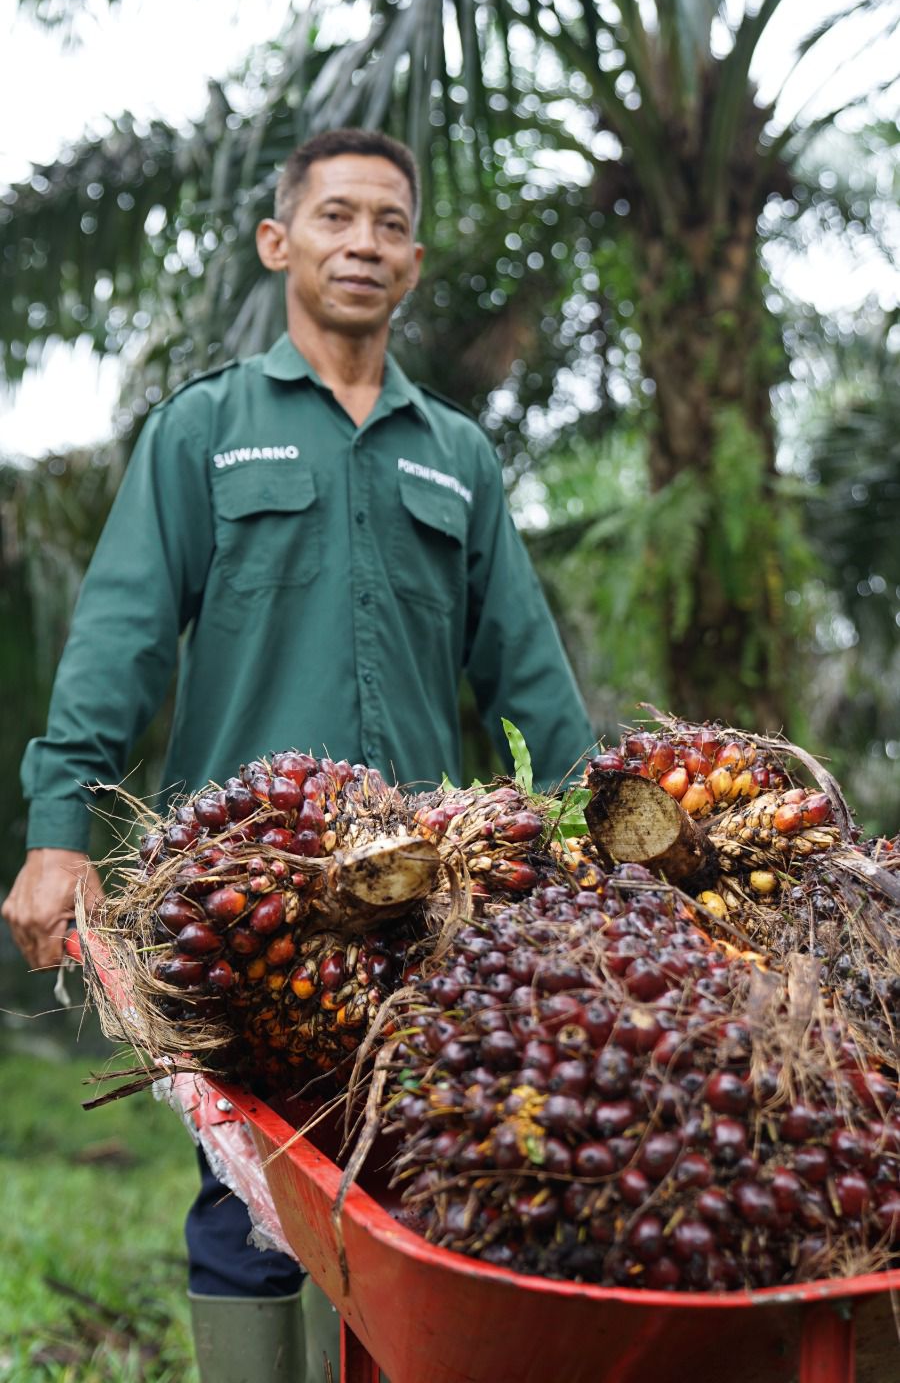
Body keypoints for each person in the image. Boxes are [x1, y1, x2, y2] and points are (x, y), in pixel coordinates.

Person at [3, 128, 595, 1381]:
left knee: (418, 1172)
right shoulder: (204, 433)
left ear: (416, 259)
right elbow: (117, 639)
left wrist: (598, 851)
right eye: (335, 218)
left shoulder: (457, 457)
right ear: (281, 242)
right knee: (252, 1192)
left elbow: (531, 677)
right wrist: (59, 828)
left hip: (429, 899)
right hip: (244, 901)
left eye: (387, 223)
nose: (362, 243)